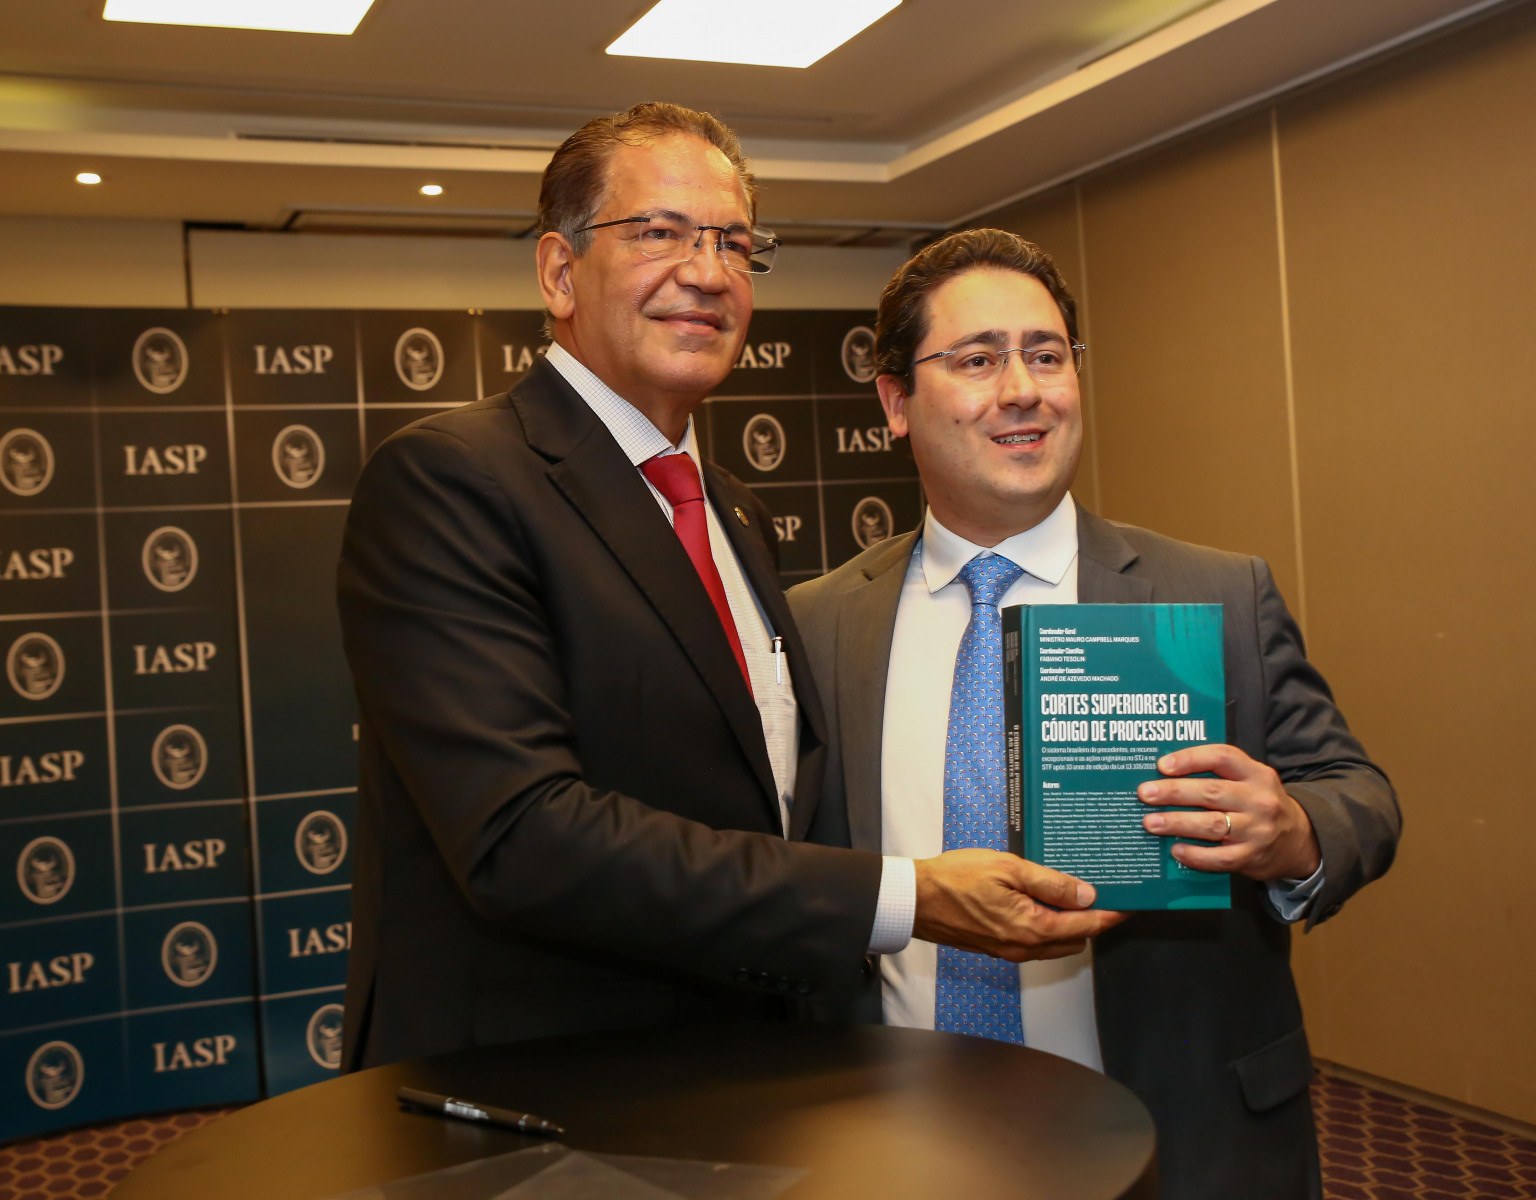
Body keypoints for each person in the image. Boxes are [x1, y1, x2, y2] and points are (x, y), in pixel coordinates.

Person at [336, 107, 1120, 1071]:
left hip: (732, 1076)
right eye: (659, 232)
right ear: (559, 272)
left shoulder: (734, 512)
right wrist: (906, 896)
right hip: (534, 1088)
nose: (708, 273)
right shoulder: (453, 480)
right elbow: (519, 838)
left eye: (735, 244)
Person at [787, 228, 1400, 1200]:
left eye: (1046, 355)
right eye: (978, 359)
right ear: (896, 402)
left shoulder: (1214, 594)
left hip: (1179, 1137)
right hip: (895, 1139)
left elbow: (1358, 793)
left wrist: (1292, 831)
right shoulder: (818, 624)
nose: (1022, 389)